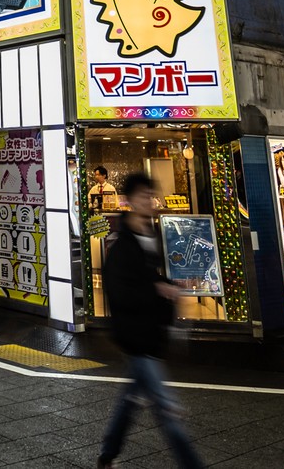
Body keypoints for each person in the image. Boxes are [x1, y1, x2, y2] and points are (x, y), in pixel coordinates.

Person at [95, 172, 203, 469]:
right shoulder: (121, 245)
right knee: (167, 409)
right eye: (143, 196)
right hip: (135, 335)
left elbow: (150, 279)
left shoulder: (151, 234)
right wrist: (158, 289)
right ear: (129, 201)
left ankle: (108, 454)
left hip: (150, 333)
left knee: (130, 400)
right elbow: (120, 291)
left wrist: (170, 286)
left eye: (150, 195)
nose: (150, 201)